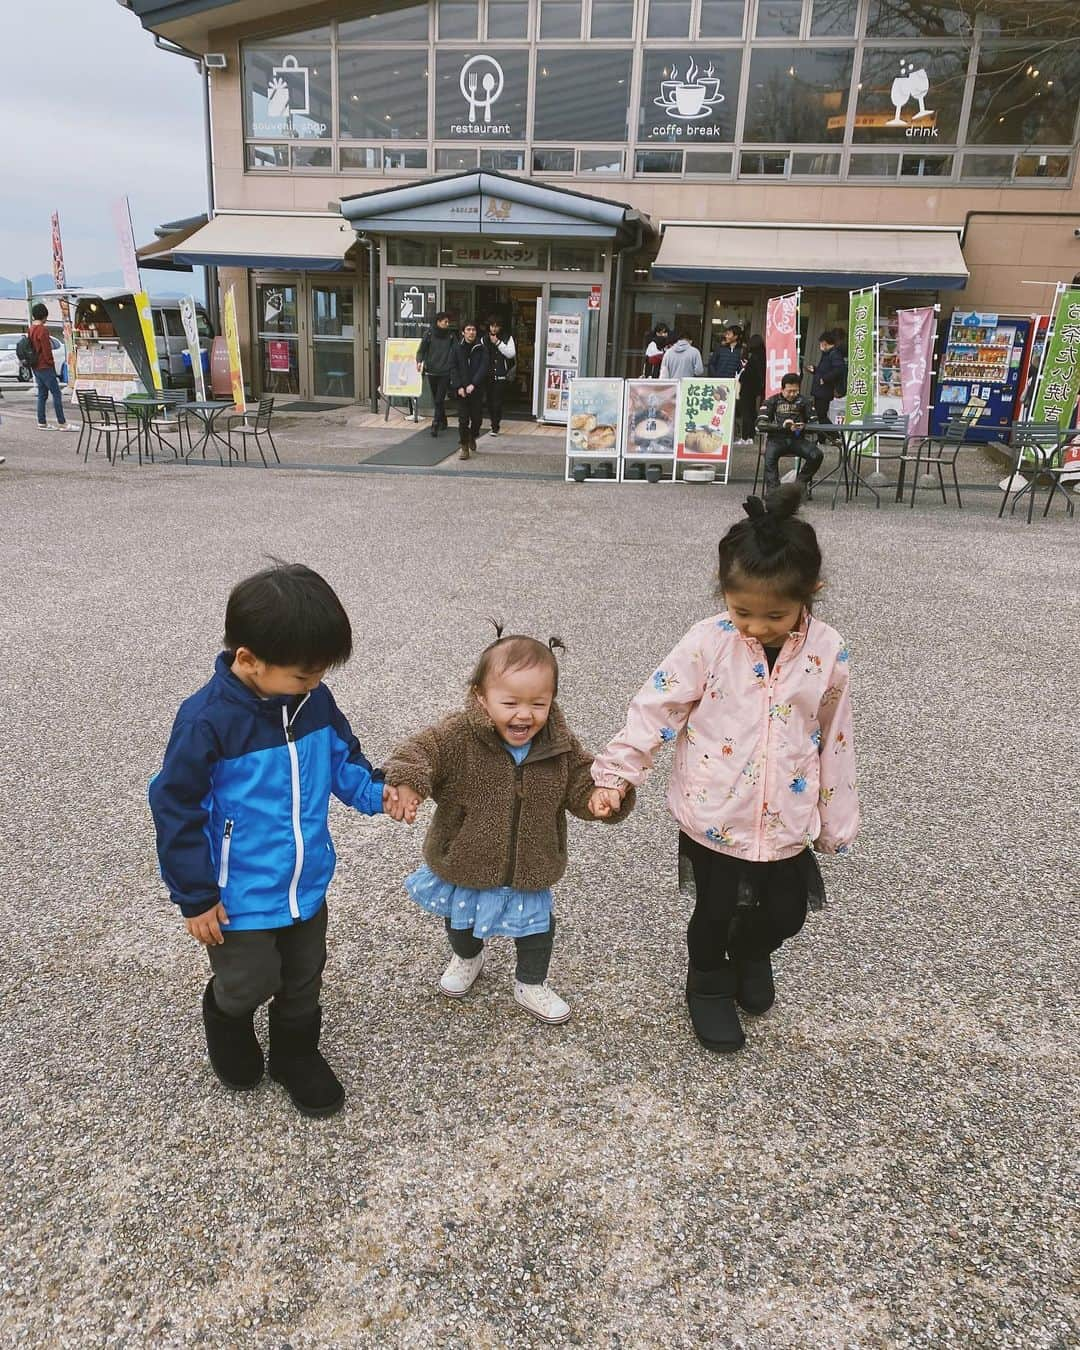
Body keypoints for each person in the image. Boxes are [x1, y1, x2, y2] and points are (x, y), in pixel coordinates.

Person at [591, 488, 858, 1053]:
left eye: (775, 615)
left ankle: (753, 948)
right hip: (713, 812)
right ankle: (708, 982)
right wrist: (617, 774)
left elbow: (835, 733)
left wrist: (836, 817)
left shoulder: (828, 649)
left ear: (812, 594)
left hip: (786, 815)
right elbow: (656, 706)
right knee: (712, 911)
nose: (757, 626)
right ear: (724, 596)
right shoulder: (708, 642)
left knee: (786, 912)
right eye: (742, 611)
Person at [149, 563, 404, 1118]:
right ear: (248, 660)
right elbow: (175, 807)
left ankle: (295, 1054)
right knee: (250, 979)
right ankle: (226, 1017)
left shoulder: (314, 702)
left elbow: (344, 759)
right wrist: (195, 896)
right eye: (302, 677)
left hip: (305, 883)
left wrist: (378, 793)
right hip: (237, 893)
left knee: (304, 975)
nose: (313, 686)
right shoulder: (206, 722)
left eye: (318, 677)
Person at [384, 628, 635, 1026]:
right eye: (510, 702)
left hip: (530, 863)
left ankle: (530, 982)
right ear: (481, 698)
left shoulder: (558, 742)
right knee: (461, 919)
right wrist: (408, 780)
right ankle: (468, 956)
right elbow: (421, 750)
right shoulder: (457, 736)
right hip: (467, 857)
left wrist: (598, 796)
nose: (525, 714)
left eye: (539, 703)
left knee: (536, 929)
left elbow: (582, 777)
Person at [756, 373, 823, 496]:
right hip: (776, 440)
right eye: (789, 391)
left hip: (797, 439)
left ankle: (798, 485)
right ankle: (774, 493)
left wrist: (804, 426)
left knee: (817, 455)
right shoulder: (772, 401)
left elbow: (815, 424)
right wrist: (782, 426)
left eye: (795, 391)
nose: (792, 394)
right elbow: (760, 424)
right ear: (782, 389)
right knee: (769, 457)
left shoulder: (805, 401)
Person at [448, 320, 489, 461]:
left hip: (476, 390)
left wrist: (474, 384)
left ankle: (473, 435)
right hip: (462, 392)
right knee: (463, 420)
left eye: (473, 330)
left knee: (477, 420)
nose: (471, 332)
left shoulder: (481, 347)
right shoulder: (456, 348)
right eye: (468, 329)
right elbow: (453, 368)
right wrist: (459, 386)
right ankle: (464, 446)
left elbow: (484, 368)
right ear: (463, 332)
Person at [28, 303, 71, 432]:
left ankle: (42, 422)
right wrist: (51, 364)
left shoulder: (30, 329)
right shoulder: (43, 330)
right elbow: (47, 351)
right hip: (45, 367)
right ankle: (62, 423)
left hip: (35, 367)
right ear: (44, 315)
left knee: (42, 394)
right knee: (56, 394)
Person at [416, 311, 457, 439]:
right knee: (437, 399)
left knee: (439, 399)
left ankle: (435, 423)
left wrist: (453, 365)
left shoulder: (451, 335)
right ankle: (443, 420)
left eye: (448, 321)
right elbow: (422, 350)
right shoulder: (429, 334)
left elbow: (456, 350)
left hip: (445, 371)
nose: (447, 324)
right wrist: (419, 361)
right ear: (438, 322)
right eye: (445, 322)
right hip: (432, 370)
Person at [807, 330, 847, 443]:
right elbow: (824, 370)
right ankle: (822, 438)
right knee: (820, 415)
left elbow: (838, 370)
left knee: (821, 415)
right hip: (820, 389)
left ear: (825, 343)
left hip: (824, 390)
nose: (820, 346)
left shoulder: (834, 354)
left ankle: (835, 436)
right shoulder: (827, 354)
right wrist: (815, 370)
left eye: (821, 343)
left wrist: (824, 379)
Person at [482, 315, 516, 438]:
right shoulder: (484, 339)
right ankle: (493, 421)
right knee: (490, 402)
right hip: (487, 375)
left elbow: (511, 354)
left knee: (497, 402)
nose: (494, 328)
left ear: (500, 327)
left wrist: (498, 343)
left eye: (496, 326)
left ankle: (495, 426)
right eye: (492, 326)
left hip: (501, 375)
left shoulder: (507, 338)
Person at [736, 333, 766, 446]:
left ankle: (745, 437)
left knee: (746, 412)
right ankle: (751, 436)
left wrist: (744, 369)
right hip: (756, 388)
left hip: (747, 387)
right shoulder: (763, 356)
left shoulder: (752, 357)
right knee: (752, 411)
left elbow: (747, 373)